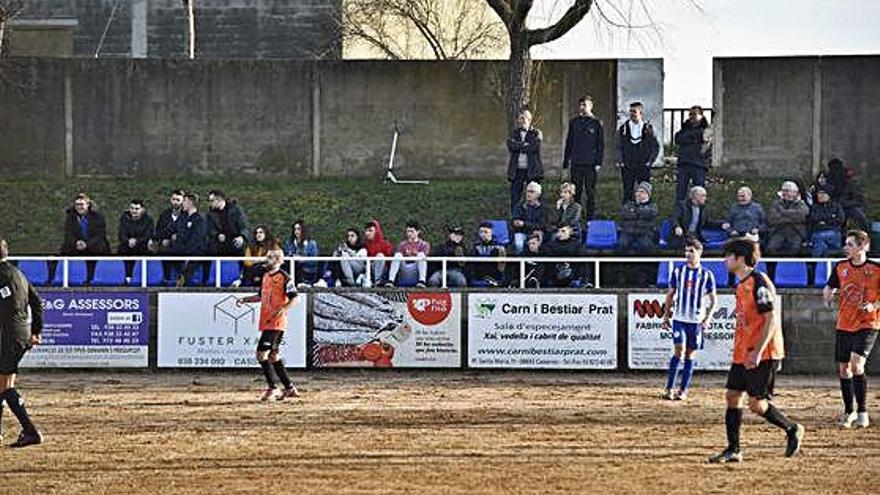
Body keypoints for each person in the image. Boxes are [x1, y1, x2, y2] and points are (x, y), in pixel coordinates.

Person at [709, 238, 804, 463]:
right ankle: (734, 449)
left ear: (739, 258)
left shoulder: (758, 282)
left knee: (757, 404)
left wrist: (758, 351)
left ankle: (791, 428)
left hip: (763, 352)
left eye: (727, 255)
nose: (724, 260)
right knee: (732, 396)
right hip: (744, 351)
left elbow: (771, 319)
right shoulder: (741, 283)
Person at [823, 230, 879, 429]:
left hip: (868, 323)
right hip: (844, 323)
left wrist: (875, 305)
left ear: (863, 247)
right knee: (843, 368)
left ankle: (863, 411)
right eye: (846, 244)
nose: (846, 247)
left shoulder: (876, 268)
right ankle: (849, 411)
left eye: (850, 244)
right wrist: (828, 295)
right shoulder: (840, 267)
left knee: (856, 365)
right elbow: (830, 287)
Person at [236, 244, 300, 402]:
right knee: (273, 355)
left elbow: (295, 297)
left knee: (261, 354)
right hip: (267, 320)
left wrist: (284, 308)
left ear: (278, 260)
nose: (267, 258)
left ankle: (273, 388)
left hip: (276, 322)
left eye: (270, 256)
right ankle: (290, 388)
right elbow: (261, 296)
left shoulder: (284, 277)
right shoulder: (265, 277)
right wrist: (245, 300)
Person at [661, 238, 718, 401]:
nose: (688, 254)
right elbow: (670, 294)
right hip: (679, 318)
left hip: (696, 321)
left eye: (691, 251)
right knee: (679, 349)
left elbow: (714, 300)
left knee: (690, 354)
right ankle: (669, 388)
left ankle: (683, 390)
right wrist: (666, 315)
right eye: (686, 251)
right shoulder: (678, 272)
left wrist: (708, 318)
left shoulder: (707, 275)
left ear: (699, 253)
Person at [0, 238, 44, 447]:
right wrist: (36, 331)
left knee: (5, 386)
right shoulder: (18, 273)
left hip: (6, 335)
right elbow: (37, 302)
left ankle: (30, 431)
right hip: (20, 333)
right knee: (4, 383)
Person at [563, 95, 605, 220]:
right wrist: (566, 162)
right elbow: (569, 143)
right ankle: (576, 218)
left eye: (584, 105)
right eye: (580, 105)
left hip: (591, 164)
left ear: (590, 106)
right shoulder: (574, 122)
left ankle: (590, 219)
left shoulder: (597, 123)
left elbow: (600, 144)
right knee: (576, 192)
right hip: (576, 163)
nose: (582, 107)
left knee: (590, 193)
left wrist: (598, 162)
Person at [55, 193, 111, 285]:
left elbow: (99, 235)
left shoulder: (98, 217)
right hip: (77, 246)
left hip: (94, 246)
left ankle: (90, 279)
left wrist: (87, 244)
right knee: (61, 252)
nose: (79, 207)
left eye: (81, 205)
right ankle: (55, 279)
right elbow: (69, 233)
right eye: (77, 205)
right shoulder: (71, 217)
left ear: (88, 205)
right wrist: (76, 243)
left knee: (94, 253)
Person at [615, 101, 660, 204]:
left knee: (644, 190)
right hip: (628, 165)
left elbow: (655, 146)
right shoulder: (623, 129)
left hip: (643, 165)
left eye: (634, 111)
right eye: (630, 111)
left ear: (641, 113)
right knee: (628, 190)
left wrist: (650, 161)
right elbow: (618, 146)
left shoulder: (649, 128)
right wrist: (620, 161)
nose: (632, 114)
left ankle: (646, 211)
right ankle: (627, 212)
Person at [506, 110, 544, 215]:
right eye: (520, 118)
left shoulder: (536, 133)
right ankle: (515, 218)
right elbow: (510, 145)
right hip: (517, 170)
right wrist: (524, 145)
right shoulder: (514, 133)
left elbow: (534, 147)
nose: (522, 120)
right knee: (515, 196)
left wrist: (519, 146)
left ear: (530, 119)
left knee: (534, 196)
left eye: (525, 118)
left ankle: (534, 218)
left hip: (532, 170)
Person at [171, 191, 208, 286]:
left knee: (189, 273)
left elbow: (196, 241)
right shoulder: (182, 218)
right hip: (181, 253)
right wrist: (155, 238)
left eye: (183, 201)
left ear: (189, 202)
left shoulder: (200, 220)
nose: (182, 204)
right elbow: (170, 229)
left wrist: (187, 255)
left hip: (194, 255)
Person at [674, 106, 710, 202]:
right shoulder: (685, 127)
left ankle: (699, 215)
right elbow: (678, 139)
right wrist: (694, 138)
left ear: (701, 116)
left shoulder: (706, 129)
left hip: (699, 164)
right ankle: (679, 214)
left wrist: (688, 138)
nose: (691, 116)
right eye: (690, 114)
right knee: (680, 192)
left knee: (699, 193)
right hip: (683, 163)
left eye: (694, 114)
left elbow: (705, 138)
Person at [149, 189, 185, 283]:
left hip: (181, 245)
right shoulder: (165, 214)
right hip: (165, 245)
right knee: (164, 249)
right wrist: (163, 239)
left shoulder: (186, 215)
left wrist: (177, 237)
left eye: (178, 200)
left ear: (183, 201)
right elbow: (159, 230)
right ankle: (166, 277)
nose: (175, 202)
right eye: (174, 199)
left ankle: (181, 277)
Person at [116, 199, 155, 286]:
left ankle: (145, 281)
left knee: (148, 250)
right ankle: (127, 278)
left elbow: (149, 235)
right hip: (128, 245)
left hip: (142, 245)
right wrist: (128, 241)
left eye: (137, 209)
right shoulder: (124, 218)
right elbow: (121, 234)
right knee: (124, 250)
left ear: (142, 210)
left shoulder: (148, 219)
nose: (134, 211)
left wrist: (136, 240)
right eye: (132, 208)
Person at [766, 181, 809, 255]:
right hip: (778, 231)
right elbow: (772, 218)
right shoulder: (776, 204)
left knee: (795, 248)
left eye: (787, 191)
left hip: (796, 231)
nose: (784, 193)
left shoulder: (801, 204)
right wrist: (791, 217)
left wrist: (782, 212)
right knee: (771, 248)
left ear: (794, 192)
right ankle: (774, 266)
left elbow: (801, 216)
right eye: (783, 190)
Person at [386, 221, 431, 288]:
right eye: (408, 231)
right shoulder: (402, 244)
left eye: (412, 231)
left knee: (421, 255)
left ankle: (422, 281)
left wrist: (414, 253)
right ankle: (391, 281)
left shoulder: (424, 244)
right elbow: (398, 257)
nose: (409, 234)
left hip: (416, 269)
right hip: (404, 269)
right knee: (398, 255)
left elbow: (425, 256)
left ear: (418, 232)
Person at [827, 158, 869, 230]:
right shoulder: (830, 179)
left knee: (860, 218)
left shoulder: (849, 180)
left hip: (848, 205)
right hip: (836, 206)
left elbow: (857, 195)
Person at [206, 190, 249, 258]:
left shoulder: (236, 210)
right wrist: (217, 235)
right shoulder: (210, 214)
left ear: (219, 200)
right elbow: (209, 229)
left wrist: (242, 237)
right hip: (219, 248)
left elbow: (244, 226)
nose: (210, 203)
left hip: (236, 246)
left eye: (212, 201)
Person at [618, 181, 657, 254]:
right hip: (628, 232)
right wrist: (638, 210)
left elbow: (648, 213)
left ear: (647, 194)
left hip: (645, 233)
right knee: (622, 244)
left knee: (645, 245)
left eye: (642, 192)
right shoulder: (629, 204)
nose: (639, 194)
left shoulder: (652, 206)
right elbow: (625, 213)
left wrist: (637, 209)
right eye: (638, 191)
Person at [511, 182, 550, 255]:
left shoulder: (543, 209)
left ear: (538, 194)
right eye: (527, 191)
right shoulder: (520, 206)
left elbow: (542, 225)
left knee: (541, 242)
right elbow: (514, 221)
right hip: (522, 232)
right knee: (518, 244)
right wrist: (516, 223)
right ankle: (520, 264)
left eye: (532, 192)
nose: (528, 194)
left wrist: (524, 224)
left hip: (537, 233)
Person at [808, 187, 845, 257]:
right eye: (819, 193)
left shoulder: (836, 206)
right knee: (821, 243)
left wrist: (824, 221)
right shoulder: (814, 208)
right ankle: (822, 263)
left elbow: (840, 219)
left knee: (820, 241)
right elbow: (814, 219)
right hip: (817, 232)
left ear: (829, 195)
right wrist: (831, 218)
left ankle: (814, 264)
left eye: (823, 193)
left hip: (834, 232)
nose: (820, 195)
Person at [283, 220, 320, 286]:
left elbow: (314, 261)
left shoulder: (311, 243)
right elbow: (287, 256)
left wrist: (302, 259)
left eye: (298, 229)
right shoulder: (289, 243)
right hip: (293, 267)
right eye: (295, 229)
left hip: (307, 270)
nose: (296, 231)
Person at [471, 222, 507, 287]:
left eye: (485, 232)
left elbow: (502, 267)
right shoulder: (475, 246)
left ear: (491, 232)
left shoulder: (499, 246)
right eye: (481, 232)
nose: (483, 234)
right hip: (479, 274)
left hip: (494, 275)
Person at [364, 220, 393, 286]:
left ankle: (378, 282)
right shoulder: (363, 245)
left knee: (380, 256)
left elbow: (390, 261)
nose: (367, 233)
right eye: (366, 231)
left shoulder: (386, 244)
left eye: (370, 231)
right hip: (367, 270)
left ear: (376, 231)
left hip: (383, 272)